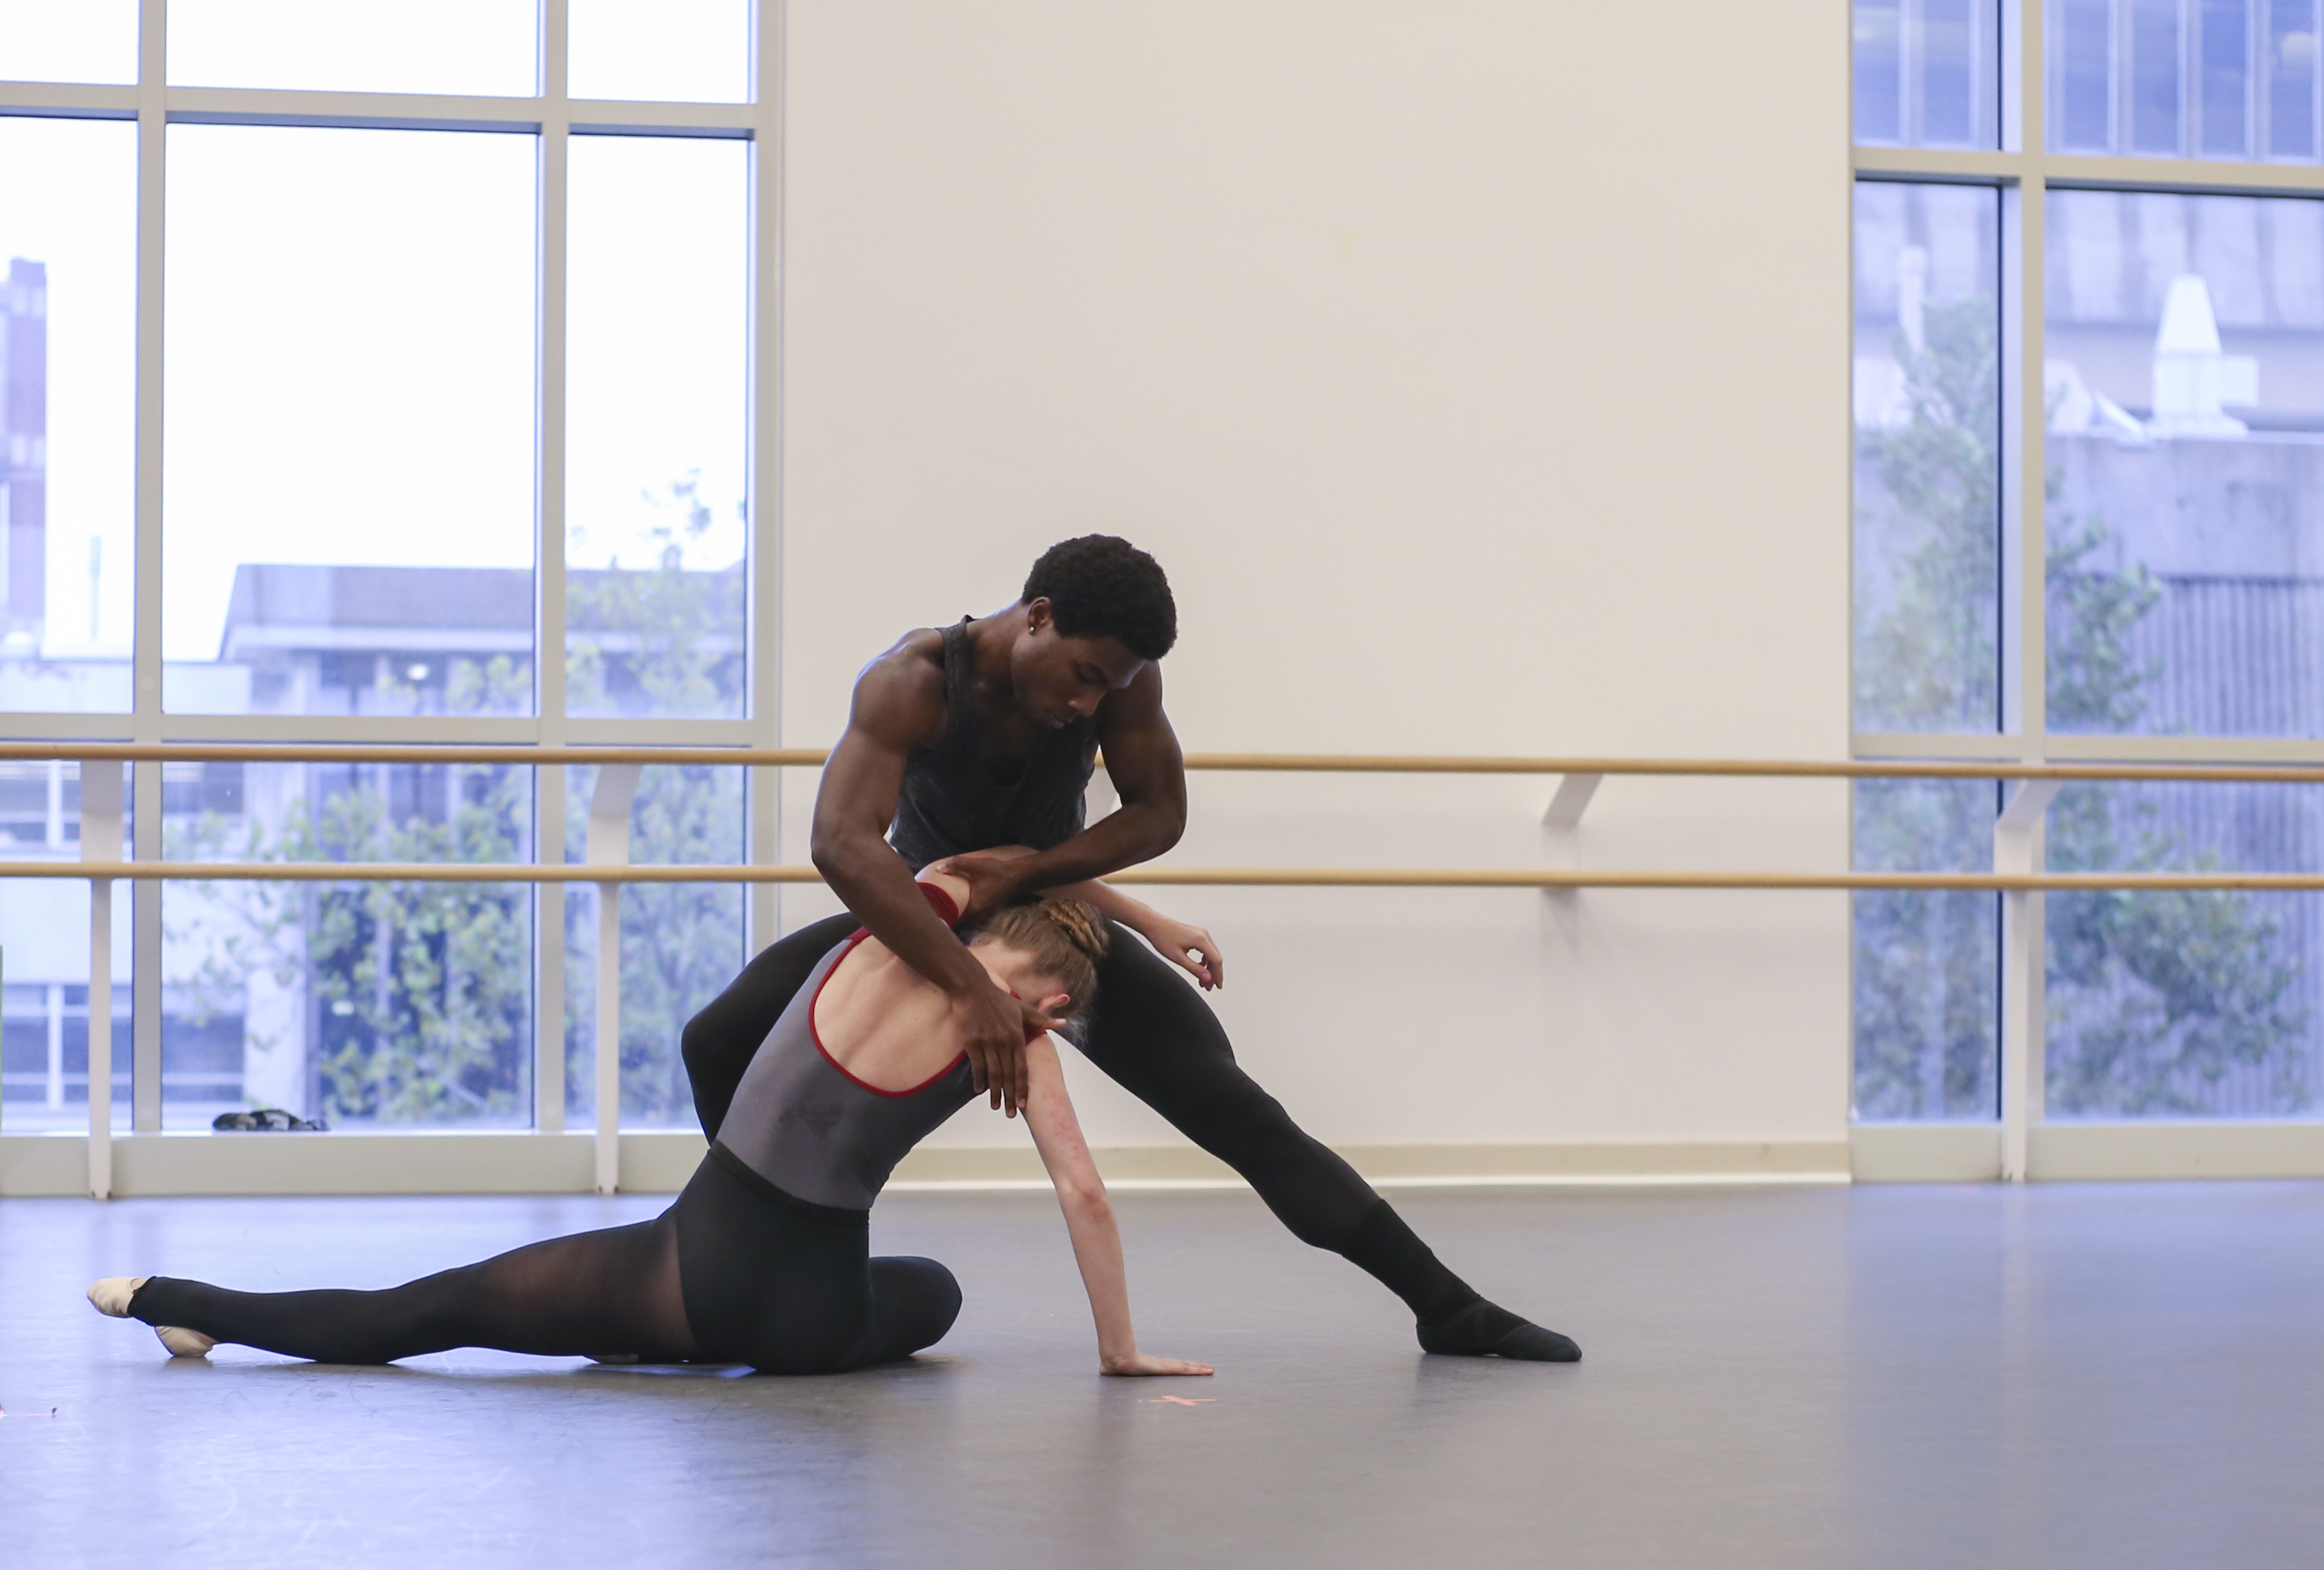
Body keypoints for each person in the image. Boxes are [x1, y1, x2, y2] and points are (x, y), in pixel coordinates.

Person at [682, 535, 1579, 1363]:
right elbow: (842, 843)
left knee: (1240, 1112)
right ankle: (762, 1260)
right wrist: (967, 985)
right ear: (1037, 617)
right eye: (1082, 677)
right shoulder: (912, 681)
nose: (1087, 705)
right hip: (925, 923)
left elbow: (1161, 812)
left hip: (1054, 935)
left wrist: (1028, 873)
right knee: (717, 1038)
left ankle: (1447, 1306)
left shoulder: (1124, 684)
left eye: (1108, 688)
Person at [88, 872, 1211, 1380]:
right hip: (809, 1324)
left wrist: (1113, 906)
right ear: (1047, 992)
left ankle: (168, 1300)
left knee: (426, 1310)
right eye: (1059, 1003)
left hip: (683, 1274)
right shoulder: (1026, 1049)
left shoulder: (889, 931)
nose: (1053, 1020)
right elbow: (1085, 1192)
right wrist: (1118, 1350)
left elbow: (1009, 856)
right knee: (935, 1289)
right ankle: (683, 1345)